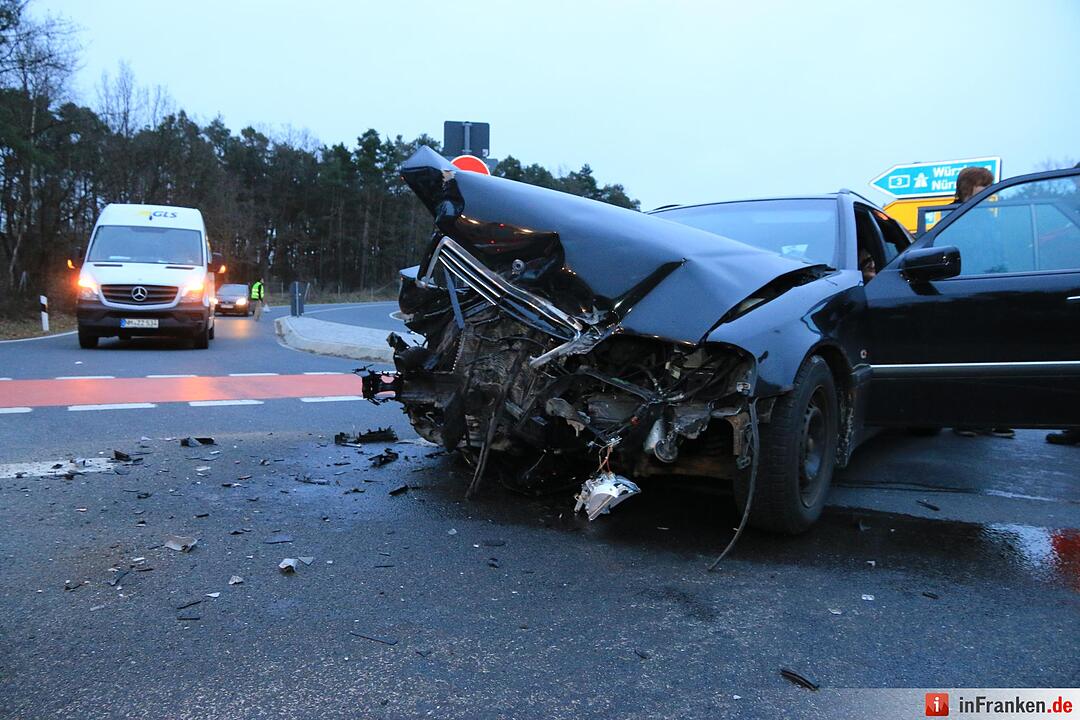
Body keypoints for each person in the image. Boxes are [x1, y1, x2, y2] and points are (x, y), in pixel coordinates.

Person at [950, 166, 1015, 439]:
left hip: (991, 294)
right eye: (983, 186)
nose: (988, 192)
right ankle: (967, 418)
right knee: (968, 358)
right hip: (963, 295)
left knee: (995, 358)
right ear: (968, 187)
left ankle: (992, 416)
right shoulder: (951, 217)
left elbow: (999, 258)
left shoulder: (989, 220)